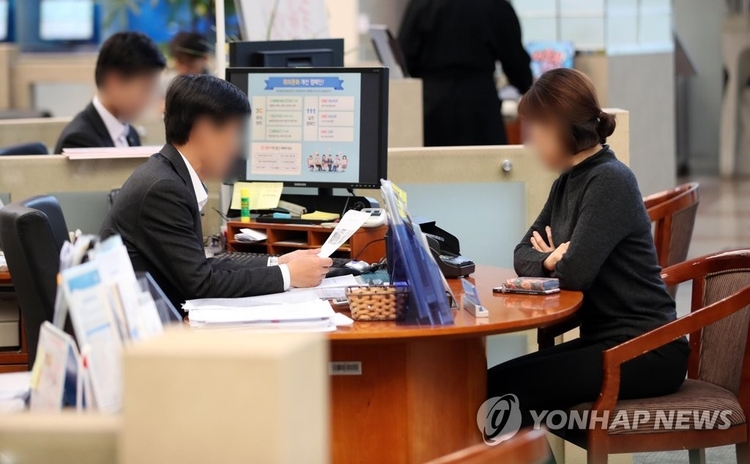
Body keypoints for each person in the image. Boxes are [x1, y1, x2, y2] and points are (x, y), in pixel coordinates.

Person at [486, 69, 688, 443]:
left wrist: (561, 261)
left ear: (561, 126)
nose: (530, 141)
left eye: (536, 130)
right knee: (491, 385)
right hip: (608, 343)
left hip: (647, 349)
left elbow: (576, 273)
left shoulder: (609, 180)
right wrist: (550, 260)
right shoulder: (567, 181)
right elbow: (521, 254)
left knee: (500, 393)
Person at [100, 75, 332, 309]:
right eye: (236, 132)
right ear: (203, 129)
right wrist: (289, 275)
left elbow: (200, 268)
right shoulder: (163, 189)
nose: (239, 148)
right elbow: (201, 283)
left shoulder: (168, 176)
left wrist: (279, 263)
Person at [398, 0, 532, 147]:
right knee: (485, 159)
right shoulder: (495, 4)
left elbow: (404, 55)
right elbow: (515, 59)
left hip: (433, 103)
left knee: (433, 159)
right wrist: (526, 86)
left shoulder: (422, 4)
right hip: (479, 104)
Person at [55, 32, 166, 153]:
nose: (150, 98)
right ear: (113, 82)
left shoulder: (130, 133)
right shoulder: (79, 141)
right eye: (146, 88)